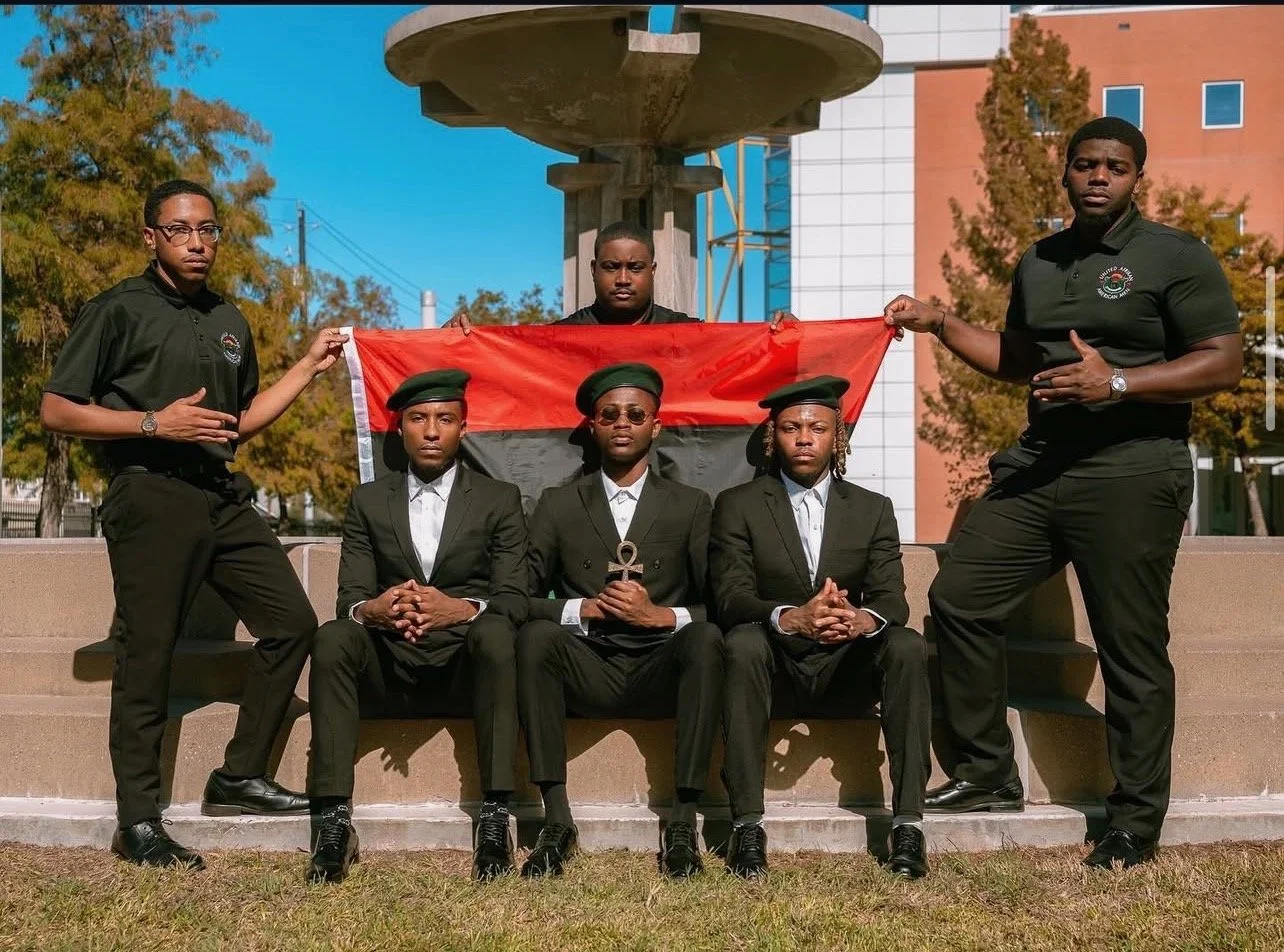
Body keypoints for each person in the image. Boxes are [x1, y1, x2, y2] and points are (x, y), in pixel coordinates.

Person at [883, 117, 1243, 870]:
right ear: (1067, 173)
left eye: (1114, 166)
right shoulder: (1040, 261)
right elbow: (1019, 358)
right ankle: (986, 772)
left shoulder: (1175, 255)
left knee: (1131, 645)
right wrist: (941, 322)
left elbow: (1222, 362)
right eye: (1085, 164)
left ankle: (1134, 818)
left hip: (1133, 468)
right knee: (962, 598)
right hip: (1042, 465)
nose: (1098, 177)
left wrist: (1116, 381)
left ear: (1137, 176)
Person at [40, 179, 349, 870]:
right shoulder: (118, 308)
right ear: (151, 236)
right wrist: (154, 422)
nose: (198, 242)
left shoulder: (230, 320)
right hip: (150, 492)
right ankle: (138, 821)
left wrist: (306, 366)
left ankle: (237, 777)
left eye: (209, 230)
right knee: (148, 650)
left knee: (294, 623)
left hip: (221, 494)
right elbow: (56, 410)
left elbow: (237, 424)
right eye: (181, 230)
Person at [304, 369, 529, 885]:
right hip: (391, 661)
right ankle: (334, 820)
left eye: (445, 419)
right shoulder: (368, 501)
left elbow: (515, 597)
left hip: (464, 665)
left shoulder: (500, 499)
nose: (431, 430)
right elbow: (348, 601)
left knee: (496, 631)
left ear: (463, 428)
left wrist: (463, 609)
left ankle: (495, 816)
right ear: (400, 429)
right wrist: (374, 610)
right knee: (334, 636)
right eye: (418, 419)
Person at [710, 376, 932, 880]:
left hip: (845, 665)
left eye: (817, 427)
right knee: (741, 642)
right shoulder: (738, 505)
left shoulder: (871, 508)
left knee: (907, 646)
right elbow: (730, 596)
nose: (804, 438)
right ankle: (746, 825)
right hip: (775, 665)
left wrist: (859, 621)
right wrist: (790, 617)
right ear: (774, 437)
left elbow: (892, 598)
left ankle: (908, 825)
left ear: (838, 437)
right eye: (791, 427)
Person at [517, 363, 725, 879]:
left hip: (660, 665)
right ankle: (557, 821)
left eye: (637, 414)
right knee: (536, 638)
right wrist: (577, 608)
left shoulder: (692, 506)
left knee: (705, 640)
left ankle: (681, 821)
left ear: (657, 425)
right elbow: (514, 597)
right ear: (593, 425)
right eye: (610, 414)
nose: (623, 423)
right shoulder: (558, 504)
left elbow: (723, 604)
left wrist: (662, 616)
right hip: (588, 663)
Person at [445, 220, 793, 329]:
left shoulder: (686, 334)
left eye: (635, 268)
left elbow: (744, 365)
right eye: (612, 267)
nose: (623, 278)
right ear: (594, 270)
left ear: (652, 271)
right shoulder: (559, 340)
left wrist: (789, 341)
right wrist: (453, 347)